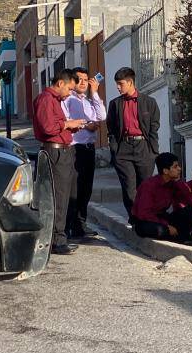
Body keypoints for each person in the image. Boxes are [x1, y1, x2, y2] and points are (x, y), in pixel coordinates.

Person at [32, 69, 86, 255]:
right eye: (69, 89)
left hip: (63, 150)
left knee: (65, 196)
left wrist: (69, 128)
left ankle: (60, 236)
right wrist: (67, 124)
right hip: (55, 153)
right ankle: (57, 240)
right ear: (61, 83)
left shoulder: (54, 100)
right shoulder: (46, 99)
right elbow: (47, 128)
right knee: (59, 197)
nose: (70, 93)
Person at [106, 67, 160, 220]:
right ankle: (134, 217)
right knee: (129, 187)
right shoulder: (115, 104)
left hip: (144, 148)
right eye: (116, 83)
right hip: (123, 148)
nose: (118, 87)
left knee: (144, 186)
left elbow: (154, 127)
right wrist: (114, 150)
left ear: (130, 83)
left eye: (120, 83)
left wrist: (153, 151)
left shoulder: (149, 102)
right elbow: (111, 128)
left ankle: (145, 215)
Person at [63, 67, 107, 238]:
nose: (82, 83)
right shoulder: (68, 100)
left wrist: (95, 93)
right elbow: (66, 120)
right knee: (74, 189)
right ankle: (69, 225)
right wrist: (85, 125)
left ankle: (81, 223)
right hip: (75, 148)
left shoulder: (89, 101)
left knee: (86, 189)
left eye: (85, 79)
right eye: (79, 79)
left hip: (89, 148)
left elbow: (102, 116)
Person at [131, 153, 192, 242]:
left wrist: (178, 181)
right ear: (166, 171)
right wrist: (166, 225)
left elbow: (189, 200)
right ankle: (181, 238)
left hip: (161, 217)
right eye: (175, 167)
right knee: (159, 230)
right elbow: (144, 213)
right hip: (144, 221)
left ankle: (184, 237)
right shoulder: (149, 185)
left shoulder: (172, 183)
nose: (179, 169)